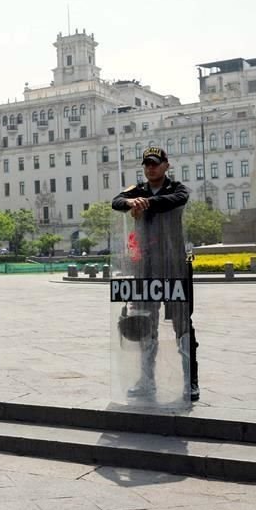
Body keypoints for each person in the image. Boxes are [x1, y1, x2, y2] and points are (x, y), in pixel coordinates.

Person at [111, 147, 199, 402]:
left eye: (155, 163)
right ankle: (146, 381)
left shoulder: (177, 188)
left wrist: (146, 203)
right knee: (145, 325)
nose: (151, 168)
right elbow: (117, 202)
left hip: (174, 267)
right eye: (147, 164)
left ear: (166, 165)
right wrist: (130, 202)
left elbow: (176, 200)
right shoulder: (137, 190)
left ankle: (190, 381)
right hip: (146, 268)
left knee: (183, 326)